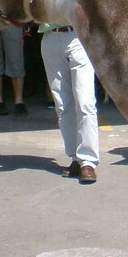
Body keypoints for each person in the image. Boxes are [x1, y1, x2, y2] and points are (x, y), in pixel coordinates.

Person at [39, 24, 99, 183]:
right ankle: (75, 158)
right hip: (50, 37)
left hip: (76, 35)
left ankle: (88, 161)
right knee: (63, 106)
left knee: (85, 102)